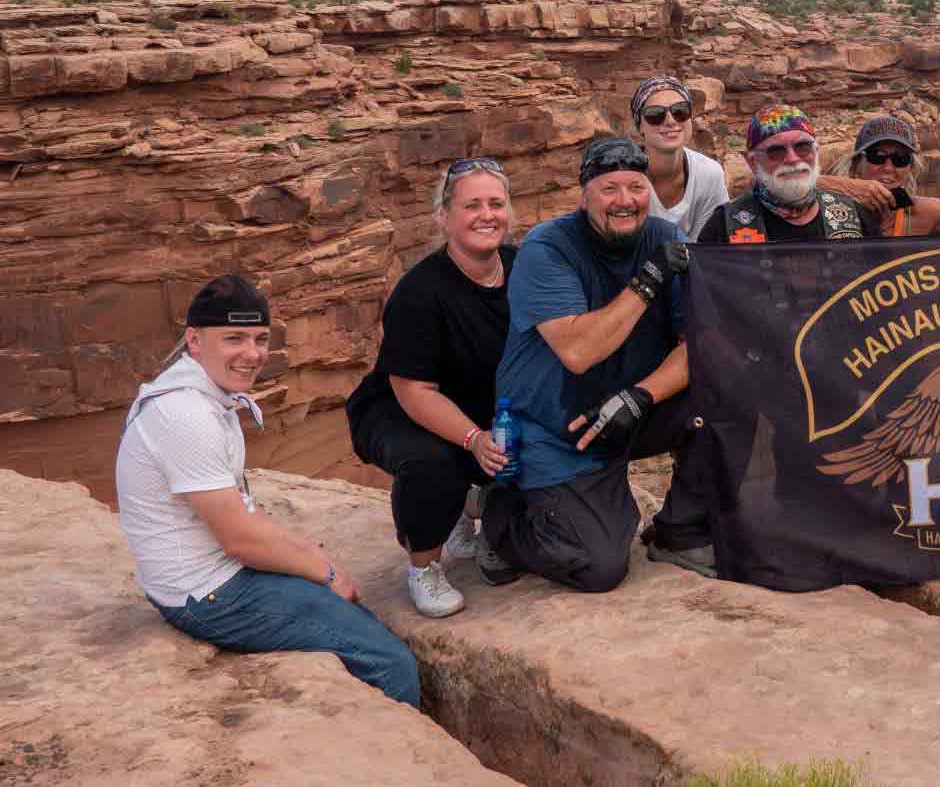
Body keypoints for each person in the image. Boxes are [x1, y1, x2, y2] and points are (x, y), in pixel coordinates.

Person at [116, 276, 420, 706]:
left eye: (260, 339)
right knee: (392, 664)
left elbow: (244, 514)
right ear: (195, 341)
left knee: (352, 615)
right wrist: (327, 574)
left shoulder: (202, 397)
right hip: (207, 594)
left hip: (213, 575)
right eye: (234, 338)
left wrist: (317, 561)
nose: (252, 354)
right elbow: (239, 539)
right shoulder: (184, 414)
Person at [482, 136, 700, 592]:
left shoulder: (664, 238)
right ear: (584, 196)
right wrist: (649, 279)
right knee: (598, 567)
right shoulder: (548, 248)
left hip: (627, 408)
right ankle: (504, 519)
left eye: (637, 188)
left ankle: (682, 531)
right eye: (609, 189)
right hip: (559, 426)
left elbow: (698, 343)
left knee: (728, 394)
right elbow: (578, 352)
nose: (625, 201)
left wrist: (642, 397)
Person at [346, 157, 516, 618]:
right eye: (472, 205)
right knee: (434, 461)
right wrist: (474, 440)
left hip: (480, 400)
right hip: (402, 409)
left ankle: (475, 512)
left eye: (496, 204)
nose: (487, 215)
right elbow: (414, 391)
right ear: (444, 217)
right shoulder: (419, 293)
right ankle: (424, 566)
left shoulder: (524, 268)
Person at [696, 105, 878, 244]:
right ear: (753, 162)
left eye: (803, 148)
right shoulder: (725, 225)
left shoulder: (853, 216)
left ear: (816, 152)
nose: (792, 159)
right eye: (776, 152)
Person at [832, 113, 940, 237]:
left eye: (900, 158)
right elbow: (809, 192)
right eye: (877, 156)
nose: (888, 167)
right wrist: (848, 186)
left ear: (910, 168)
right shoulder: (832, 211)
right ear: (856, 163)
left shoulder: (922, 213)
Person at [630, 76, 729, 239]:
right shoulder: (624, 176)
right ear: (639, 125)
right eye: (655, 114)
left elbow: (708, 246)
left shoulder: (708, 174)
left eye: (680, 111)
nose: (670, 121)